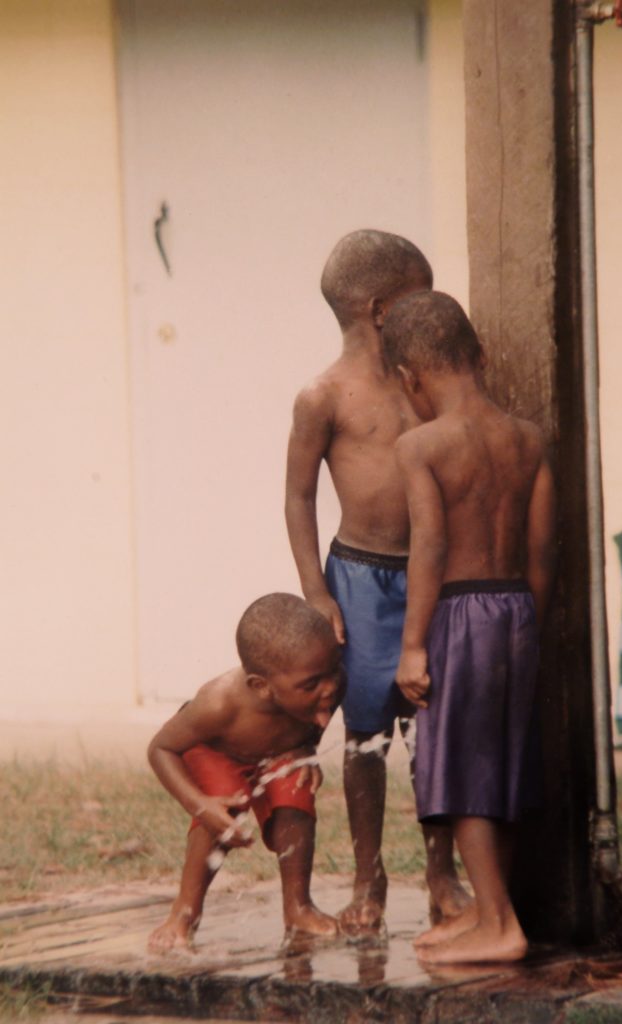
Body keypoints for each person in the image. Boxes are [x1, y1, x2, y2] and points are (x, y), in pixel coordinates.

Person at [285, 230, 468, 935]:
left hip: (432, 576)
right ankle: (368, 875)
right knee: (365, 735)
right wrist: (316, 592)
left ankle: (441, 870)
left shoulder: (427, 383)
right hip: (358, 579)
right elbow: (298, 497)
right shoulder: (323, 396)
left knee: (436, 732)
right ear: (383, 306)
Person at [382, 290, 556, 964]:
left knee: (458, 770)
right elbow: (541, 551)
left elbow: (427, 545)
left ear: (409, 376)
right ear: (478, 356)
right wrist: (529, 626)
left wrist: (413, 645)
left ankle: (499, 926)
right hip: (515, 609)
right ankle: (488, 909)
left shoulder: (420, 445)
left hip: (457, 614)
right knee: (501, 766)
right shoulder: (526, 438)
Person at [147, 593, 343, 952]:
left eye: (334, 671)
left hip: (276, 752)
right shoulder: (218, 703)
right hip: (215, 753)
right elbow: (160, 749)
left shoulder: (325, 679)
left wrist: (308, 748)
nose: (329, 687)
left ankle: (298, 907)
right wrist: (199, 804)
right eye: (313, 684)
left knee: (295, 791)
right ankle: (184, 911)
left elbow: (316, 717)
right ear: (261, 686)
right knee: (224, 808)